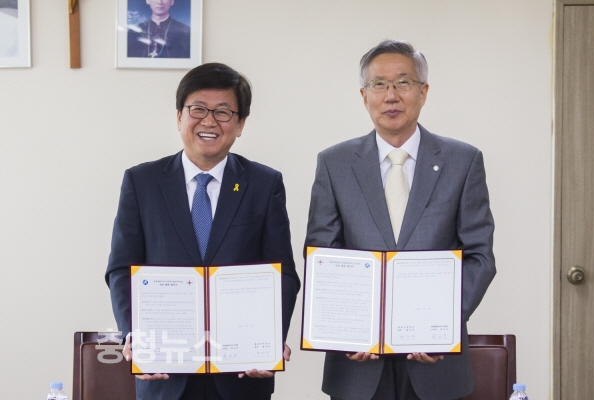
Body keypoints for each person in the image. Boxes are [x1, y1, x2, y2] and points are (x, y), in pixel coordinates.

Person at [305, 39, 496, 400]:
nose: (391, 96)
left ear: (423, 92)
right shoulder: (334, 163)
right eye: (379, 84)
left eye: (403, 82)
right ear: (364, 96)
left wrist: (442, 325)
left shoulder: (463, 160)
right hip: (357, 364)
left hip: (436, 361)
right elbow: (323, 253)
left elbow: (479, 256)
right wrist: (345, 330)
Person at [106, 62, 300, 400]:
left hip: (241, 374)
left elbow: (281, 273)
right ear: (179, 116)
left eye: (223, 112)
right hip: (165, 372)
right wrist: (135, 335)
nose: (209, 121)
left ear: (240, 124)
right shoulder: (142, 182)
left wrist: (268, 339)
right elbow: (121, 269)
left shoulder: (264, 184)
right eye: (197, 109)